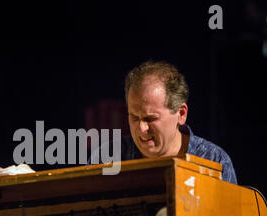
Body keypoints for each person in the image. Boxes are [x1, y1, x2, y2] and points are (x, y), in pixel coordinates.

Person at [91, 60, 237, 184]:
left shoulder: (214, 161)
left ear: (181, 114)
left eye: (151, 118)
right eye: (134, 117)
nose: (141, 129)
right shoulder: (106, 158)